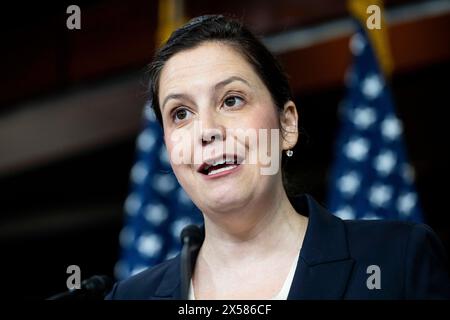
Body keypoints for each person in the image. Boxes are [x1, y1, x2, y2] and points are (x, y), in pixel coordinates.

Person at [106, 15, 450, 299]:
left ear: (287, 124)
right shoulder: (129, 298)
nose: (206, 130)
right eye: (180, 113)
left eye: (231, 100)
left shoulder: (397, 261)